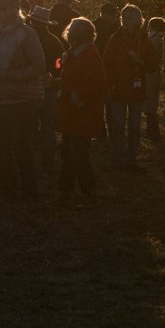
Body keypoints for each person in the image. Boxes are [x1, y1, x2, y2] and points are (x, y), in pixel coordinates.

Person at [0, 0, 47, 200]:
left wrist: (9, 76)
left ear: (15, 10)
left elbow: (39, 66)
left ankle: (30, 189)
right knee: (2, 145)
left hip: (22, 98)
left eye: (6, 8)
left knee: (22, 145)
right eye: (0, 8)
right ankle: (7, 185)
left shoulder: (27, 34)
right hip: (1, 96)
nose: (2, 11)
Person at [57, 17, 107, 203]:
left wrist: (75, 96)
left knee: (78, 154)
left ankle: (87, 190)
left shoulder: (88, 55)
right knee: (68, 153)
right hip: (72, 113)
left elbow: (98, 82)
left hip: (81, 113)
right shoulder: (76, 53)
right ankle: (66, 188)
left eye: (71, 31)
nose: (68, 34)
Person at [103, 4, 156, 171]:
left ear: (138, 20)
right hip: (118, 90)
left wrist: (143, 63)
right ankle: (117, 159)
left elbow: (153, 66)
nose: (124, 20)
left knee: (134, 127)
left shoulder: (145, 41)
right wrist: (110, 83)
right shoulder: (115, 39)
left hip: (136, 90)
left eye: (128, 17)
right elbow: (107, 63)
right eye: (123, 17)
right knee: (118, 127)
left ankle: (131, 159)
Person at [29, 6, 65, 175]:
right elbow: (60, 65)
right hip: (50, 89)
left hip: (30, 89)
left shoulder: (27, 40)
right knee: (48, 129)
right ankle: (47, 162)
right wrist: (54, 79)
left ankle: (30, 162)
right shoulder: (55, 42)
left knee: (29, 127)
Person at [144, 16, 165, 145]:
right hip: (153, 74)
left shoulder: (154, 39)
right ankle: (151, 131)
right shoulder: (158, 38)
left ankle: (153, 133)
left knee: (150, 104)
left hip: (150, 73)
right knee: (150, 103)